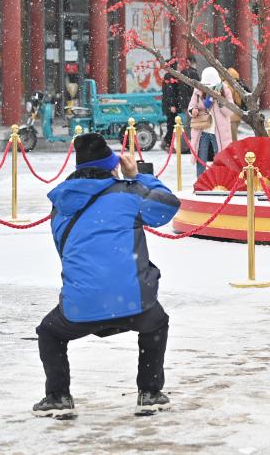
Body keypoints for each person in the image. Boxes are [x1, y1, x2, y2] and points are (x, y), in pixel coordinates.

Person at [33, 133, 180, 420]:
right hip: (132, 302)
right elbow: (167, 206)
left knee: (49, 332)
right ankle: (149, 393)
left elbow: (66, 251)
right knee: (156, 322)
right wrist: (138, 176)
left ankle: (58, 396)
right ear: (112, 167)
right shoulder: (129, 193)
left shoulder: (61, 203)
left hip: (80, 307)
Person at [187, 67, 234, 176]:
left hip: (220, 131)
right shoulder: (198, 89)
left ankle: (221, 180)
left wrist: (220, 101)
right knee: (201, 157)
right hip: (202, 129)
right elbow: (191, 106)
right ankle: (200, 181)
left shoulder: (224, 89)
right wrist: (193, 110)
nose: (209, 88)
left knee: (221, 157)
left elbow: (230, 111)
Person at [160, 71, 181, 150]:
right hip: (171, 107)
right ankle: (168, 144)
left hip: (169, 105)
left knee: (171, 125)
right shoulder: (171, 76)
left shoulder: (168, 75)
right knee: (172, 126)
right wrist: (172, 105)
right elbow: (170, 92)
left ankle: (167, 143)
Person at [226, 67, 248, 141]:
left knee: (230, 137)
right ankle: (234, 149)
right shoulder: (238, 85)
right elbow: (238, 101)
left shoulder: (225, 85)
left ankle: (232, 149)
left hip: (228, 114)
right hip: (236, 114)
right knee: (233, 137)